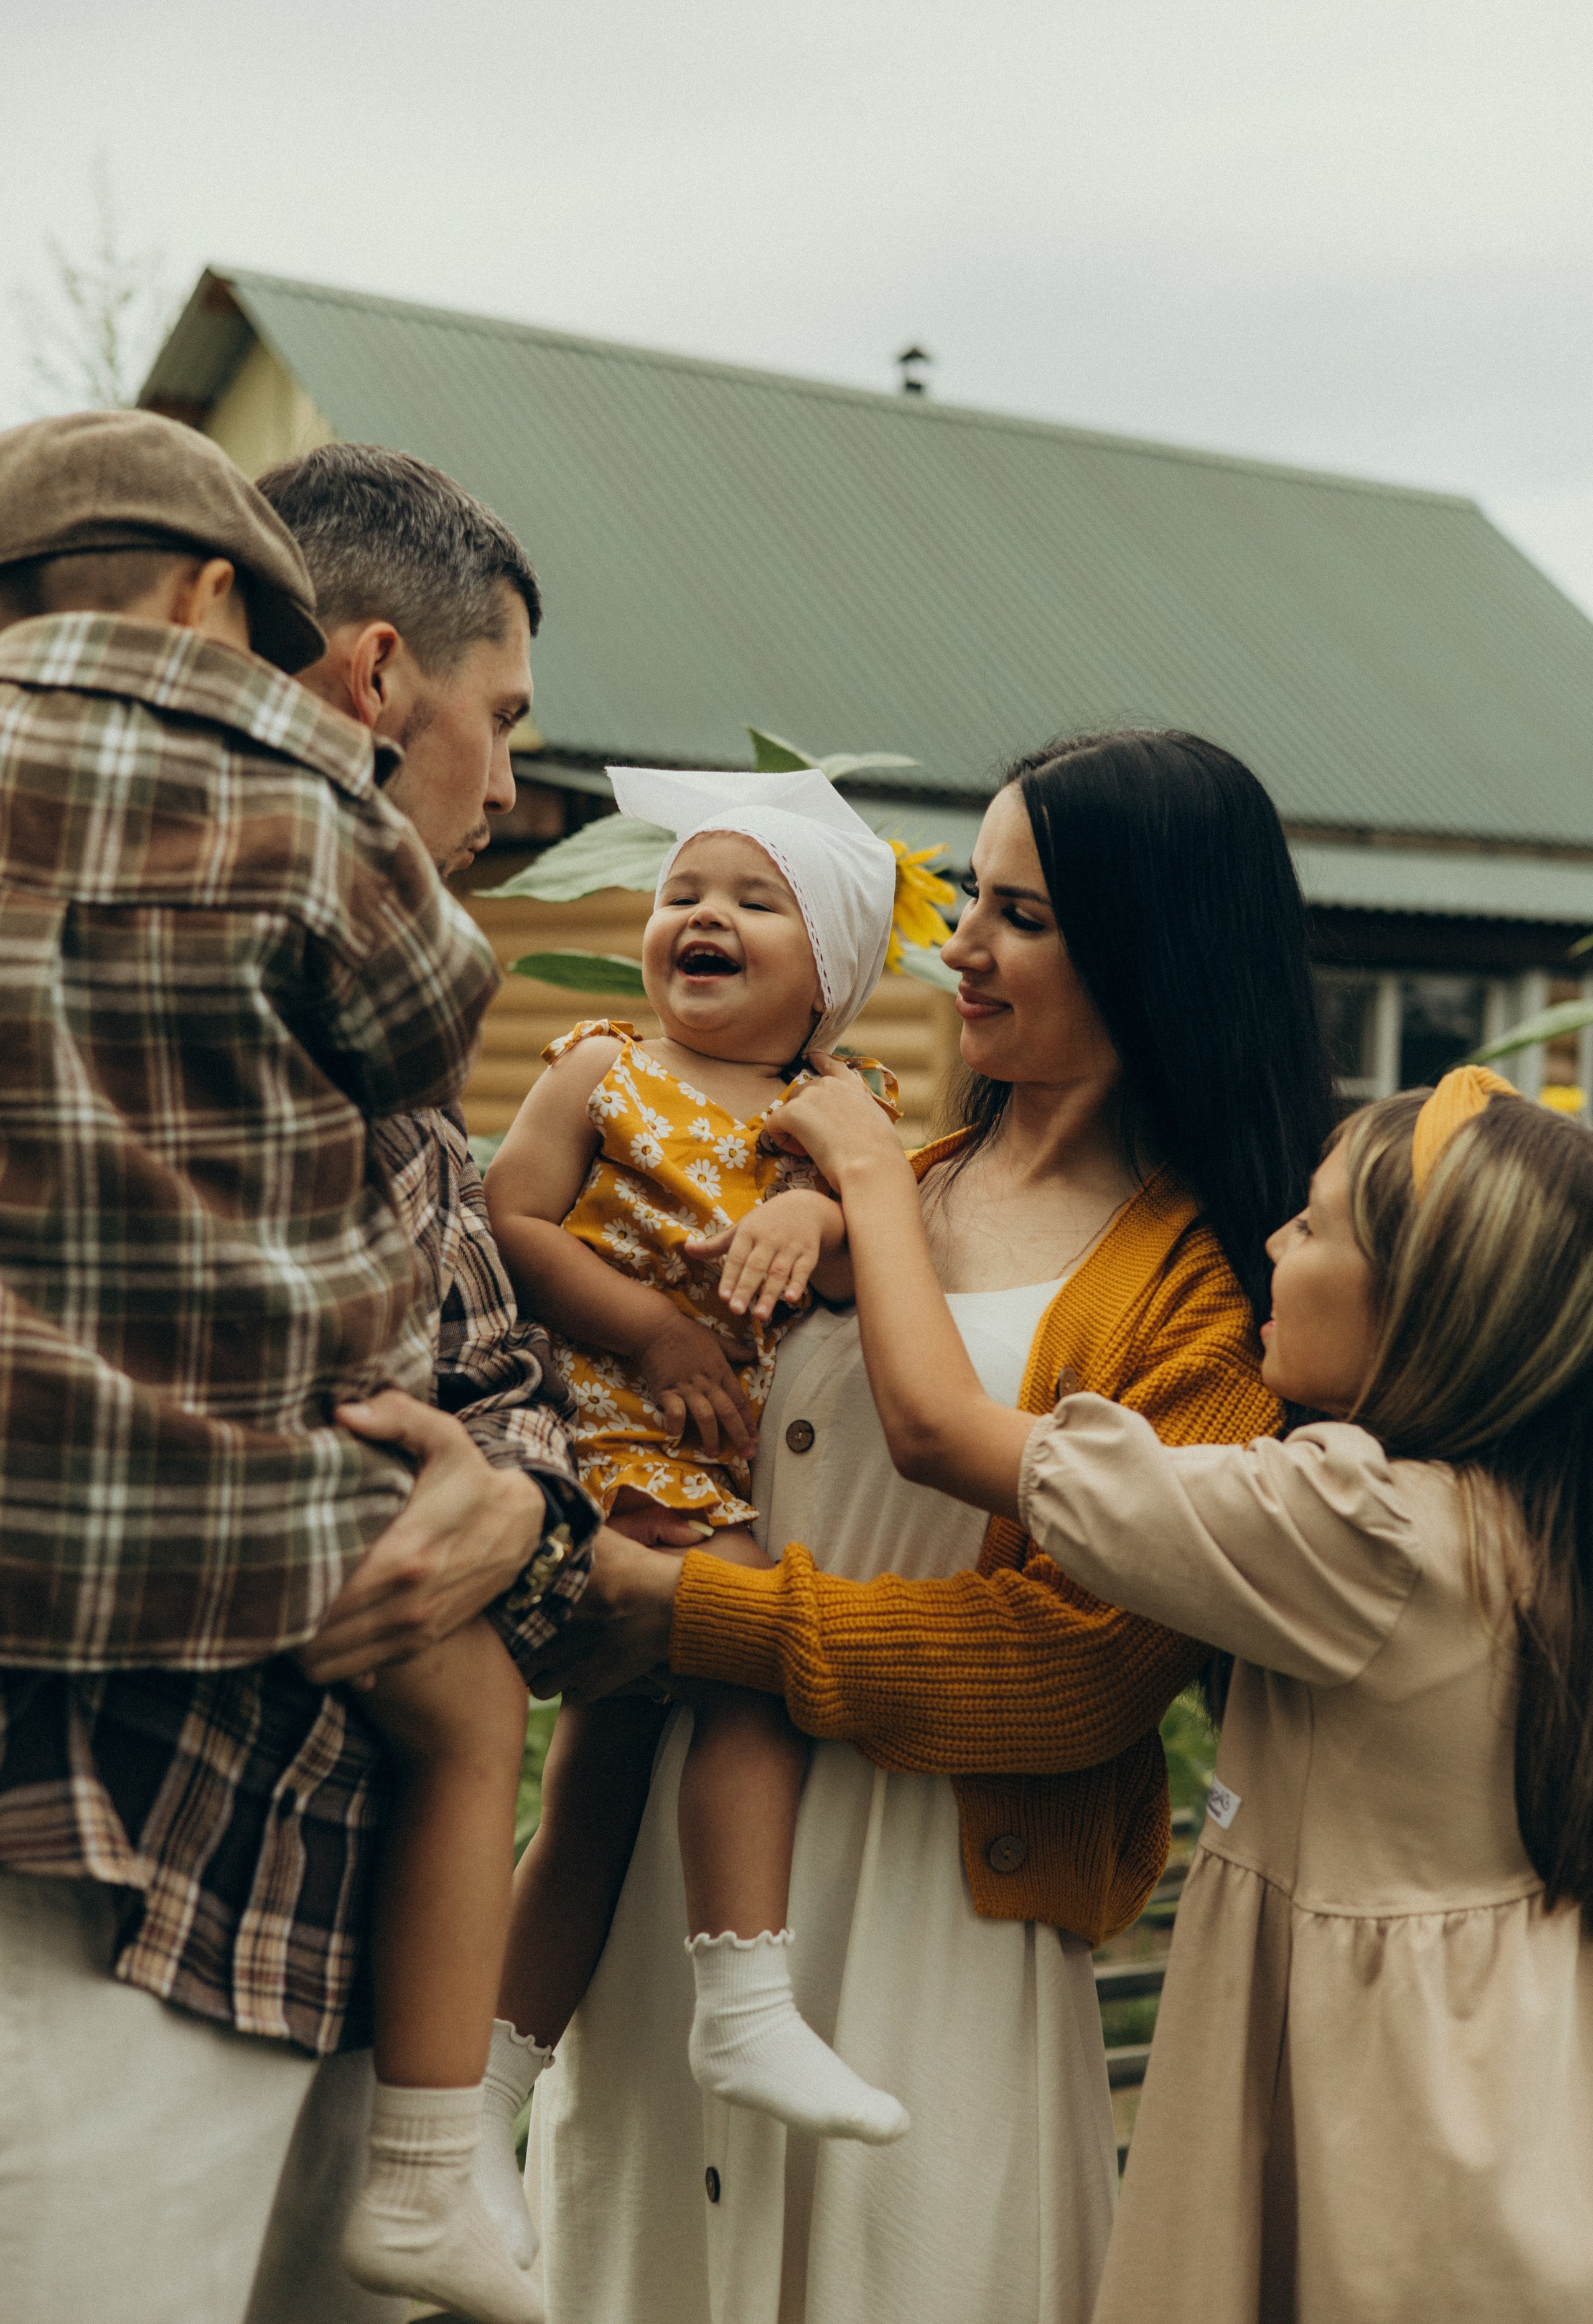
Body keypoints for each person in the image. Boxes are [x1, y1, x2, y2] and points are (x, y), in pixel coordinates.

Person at [519, 729, 1338, 2324]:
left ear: (1152, 942)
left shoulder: (1207, 1294)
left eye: (1021, 916)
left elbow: (1079, 1664)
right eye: (972, 897)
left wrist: (700, 1620)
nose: (956, 945)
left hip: (935, 1903)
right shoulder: (847, 1172)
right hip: (696, 1898)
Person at [0, 416, 592, 2324]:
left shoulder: (399, 1128)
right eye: (502, 720)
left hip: (323, 1952)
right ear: (373, 676)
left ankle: (433, 2168)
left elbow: (519, 1410)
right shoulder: (328, 869)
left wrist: (510, 1503)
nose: (510, 787)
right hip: (89, 1872)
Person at [780, 1057, 1593, 2322]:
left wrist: (876, 1173)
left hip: (1396, 2110)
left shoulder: (1356, 1526)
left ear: (1421, 1303)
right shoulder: (1520, 1528)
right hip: (1514, 2071)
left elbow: (939, 1429)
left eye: (1313, 1223)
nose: (1270, 1236)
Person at [478, 764, 910, 2251]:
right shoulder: (599, 1068)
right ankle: (742, 1995)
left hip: (746, 1467)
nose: (698, 917)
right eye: (680, 894)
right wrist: (653, 1330)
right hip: (620, 1431)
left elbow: (882, 1260)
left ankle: (479, 2095)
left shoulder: (850, 1115)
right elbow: (511, 1225)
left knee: (592, 1794)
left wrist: (820, 1207)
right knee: (752, 1666)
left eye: (750, 901)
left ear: (831, 977)